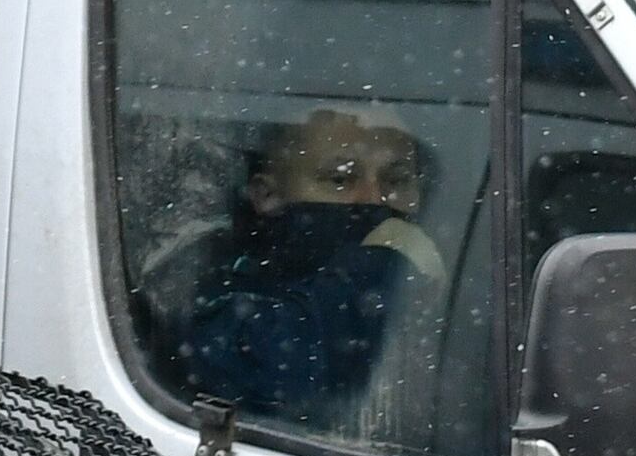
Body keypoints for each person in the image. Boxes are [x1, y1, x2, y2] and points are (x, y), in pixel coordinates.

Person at [179, 109, 446, 425]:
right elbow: (280, 370)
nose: (375, 200)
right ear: (267, 195)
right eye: (340, 179)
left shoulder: (463, 287)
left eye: (397, 180)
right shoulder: (212, 297)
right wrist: (384, 271)